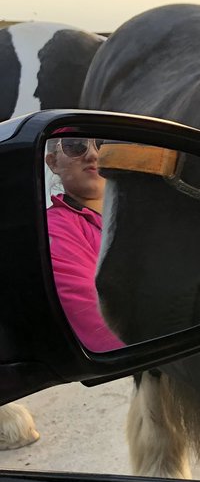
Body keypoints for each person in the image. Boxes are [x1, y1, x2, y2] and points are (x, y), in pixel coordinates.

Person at [44, 136, 124, 353]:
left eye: (102, 144)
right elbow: (94, 322)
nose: (93, 155)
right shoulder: (53, 228)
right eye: (74, 146)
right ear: (52, 163)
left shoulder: (140, 216)